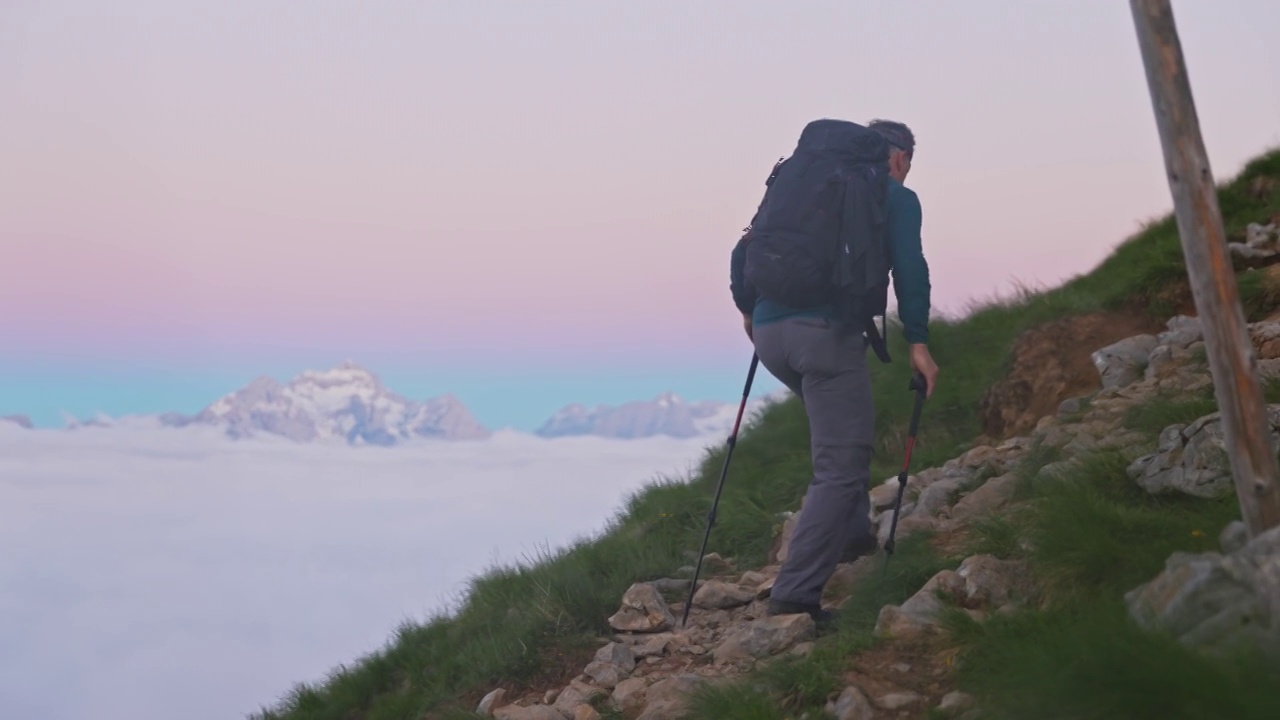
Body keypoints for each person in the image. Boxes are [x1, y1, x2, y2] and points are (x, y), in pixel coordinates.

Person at [728, 118, 938, 628]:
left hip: (771, 336)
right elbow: (910, 267)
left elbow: (746, 249)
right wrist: (918, 342)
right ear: (900, 158)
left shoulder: (806, 182)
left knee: (840, 438)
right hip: (824, 336)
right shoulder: (893, 195)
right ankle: (796, 597)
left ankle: (851, 536)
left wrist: (750, 312)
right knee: (840, 467)